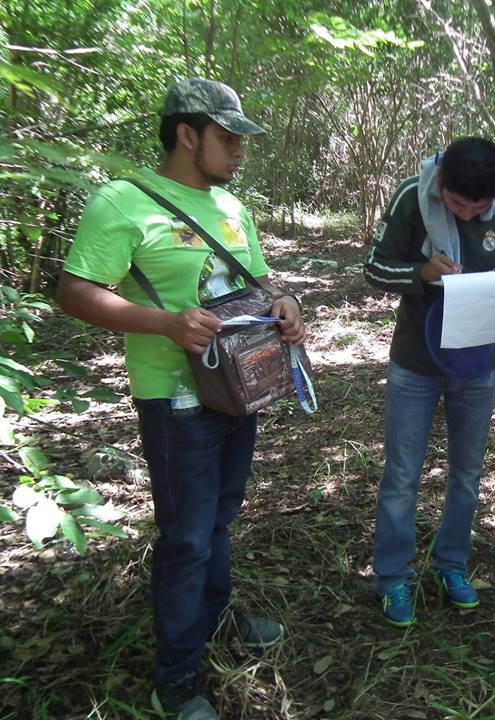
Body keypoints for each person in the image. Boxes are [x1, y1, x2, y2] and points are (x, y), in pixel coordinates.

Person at [57, 78, 304, 720]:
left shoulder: (231, 207)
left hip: (237, 391)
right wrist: (164, 323)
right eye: (228, 137)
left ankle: (216, 619)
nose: (239, 151)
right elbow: (75, 291)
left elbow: (258, 279)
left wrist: (284, 302)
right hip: (175, 401)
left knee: (219, 519)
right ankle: (176, 680)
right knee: (186, 539)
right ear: (187, 134)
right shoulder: (123, 201)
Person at [363, 137, 495, 627]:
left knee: (467, 473)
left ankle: (451, 565)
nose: (469, 215)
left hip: (476, 363)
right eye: (457, 205)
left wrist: (492, 292)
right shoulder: (412, 197)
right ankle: (392, 577)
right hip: (416, 360)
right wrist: (422, 272)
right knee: (402, 474)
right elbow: (374, 268)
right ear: (441, 183)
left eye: (479, 208)